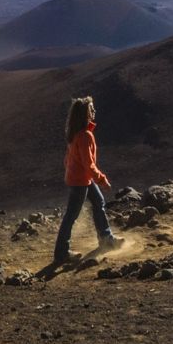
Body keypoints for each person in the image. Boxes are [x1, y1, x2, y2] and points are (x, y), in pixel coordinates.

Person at [52, 95, 124, 265]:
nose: (94, 111)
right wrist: (102, 179)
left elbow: (68, 159)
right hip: (81, 180)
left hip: (80, 178)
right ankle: (61, 254)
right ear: (85, 114)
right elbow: (89, 164)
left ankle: (107, 239)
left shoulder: (76, 133)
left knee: (98, 202)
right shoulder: (85, 136)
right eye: (92, 109)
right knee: (71, 216)